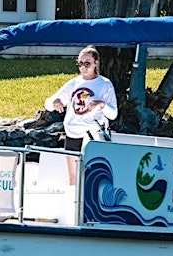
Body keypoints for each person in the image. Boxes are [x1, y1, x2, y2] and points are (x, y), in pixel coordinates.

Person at [44, 45, 118, 185]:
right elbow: (48, 103)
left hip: (93, 134)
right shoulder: (73, 84)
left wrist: (101, 104)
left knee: (93, 177)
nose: (83, 67)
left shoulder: (105, 84)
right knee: (73, 178)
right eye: (80, 64)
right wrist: (56, 102)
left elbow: (113, 114)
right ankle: (74, 205)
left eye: (87, 63)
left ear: (95, 63)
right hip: (73, 133)